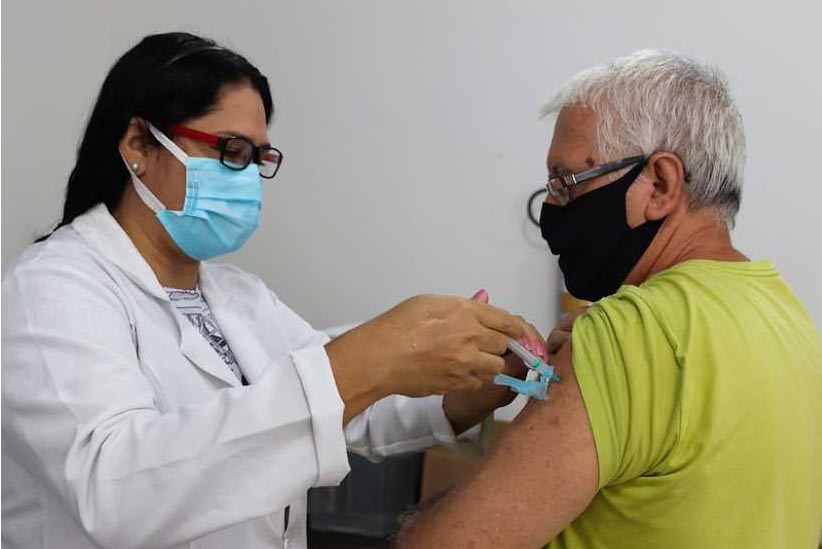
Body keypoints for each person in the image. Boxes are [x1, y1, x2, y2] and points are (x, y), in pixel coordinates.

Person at [1, 32, 546, 549]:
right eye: (232, 151)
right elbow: (115, 490)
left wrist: (481, 382)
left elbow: (356, 410)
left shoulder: (236, 295)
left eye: (258, 158)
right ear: (139, 143)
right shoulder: (52, 290)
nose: (246, 176)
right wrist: (372, 354)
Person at [396, 50, 822, 548]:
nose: (552, 208)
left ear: (660, 185)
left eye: (564, 182)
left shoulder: (630, 332)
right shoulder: (786, 314)